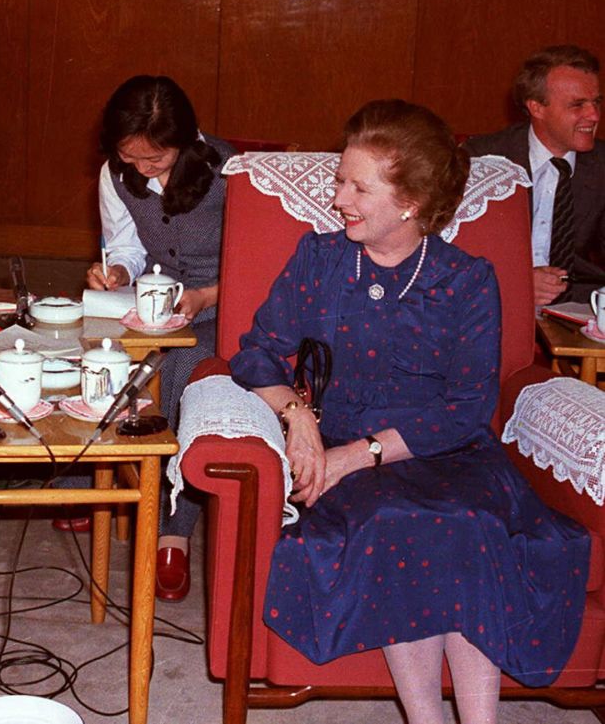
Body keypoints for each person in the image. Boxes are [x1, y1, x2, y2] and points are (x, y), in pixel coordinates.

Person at [230, 100, 588, 723]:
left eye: (356, 186)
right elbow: (257, 353)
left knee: (471, 522)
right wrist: (301, 418)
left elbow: (469, 407)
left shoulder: (467, 279)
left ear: (410, 203)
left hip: (444, 450)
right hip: (355, 458)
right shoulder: (320, 260)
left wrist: (360, 454)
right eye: (340, 178)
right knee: (399, 521)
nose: (338, 196)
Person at [57, 75, 234, 603]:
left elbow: (261, 265)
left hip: (225, 301)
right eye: (129, 158)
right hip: (155, 301)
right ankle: (103, 484)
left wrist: (205, 296)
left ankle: (172, 531)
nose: (140, 169)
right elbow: (128, 248)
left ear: (184, 140)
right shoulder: (118, 174)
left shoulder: (230, 171)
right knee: (94, 353)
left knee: (182, 369)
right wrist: (115, 274)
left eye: (153, 159)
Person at [464, 44, 605, 305]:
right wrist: (515, 281)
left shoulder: (602, 167)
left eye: (596, 102)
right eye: (578, 105)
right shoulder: (483, 159)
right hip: (495, 300)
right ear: (537, 108)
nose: (594, 115)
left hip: (581, 309)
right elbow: (455, 253)